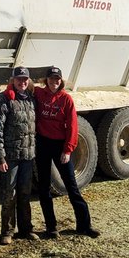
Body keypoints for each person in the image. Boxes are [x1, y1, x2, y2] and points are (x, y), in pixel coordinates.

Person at [34, 66, 100, 238]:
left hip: (59, 145)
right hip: (42, 144)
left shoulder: (66, 99)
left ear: (61, 81)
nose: (54, 82)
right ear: (46, 80)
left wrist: (68, 149)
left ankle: (84, 225)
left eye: (57, 79)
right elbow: (19, 86)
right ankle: (51, 227)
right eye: (51, 79)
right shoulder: (39, 94)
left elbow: (72, 126)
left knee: (71, 186)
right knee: (44, 187)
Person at [0, 66, 37, 244]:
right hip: (11, 156)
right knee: (10, 193)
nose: (22, 82)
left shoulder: (30, 99)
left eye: (25, 80)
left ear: (28, 81)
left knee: (25, 192)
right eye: (18, 79)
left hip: (28, 156)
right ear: (12, 80)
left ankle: (26, 229)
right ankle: (7, 231)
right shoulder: (4, 99)